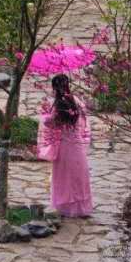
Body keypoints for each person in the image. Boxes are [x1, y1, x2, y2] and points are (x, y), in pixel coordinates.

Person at [37, 73, 93, 217]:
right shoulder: (77, 101)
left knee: (64, 177)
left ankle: (64, 207)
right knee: (78, 177)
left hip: (64, 146)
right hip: (77, 145)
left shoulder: (57, 105)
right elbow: (83, 122)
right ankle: (81, 208)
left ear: (54, 87)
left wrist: (44, 115)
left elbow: (51, 124)